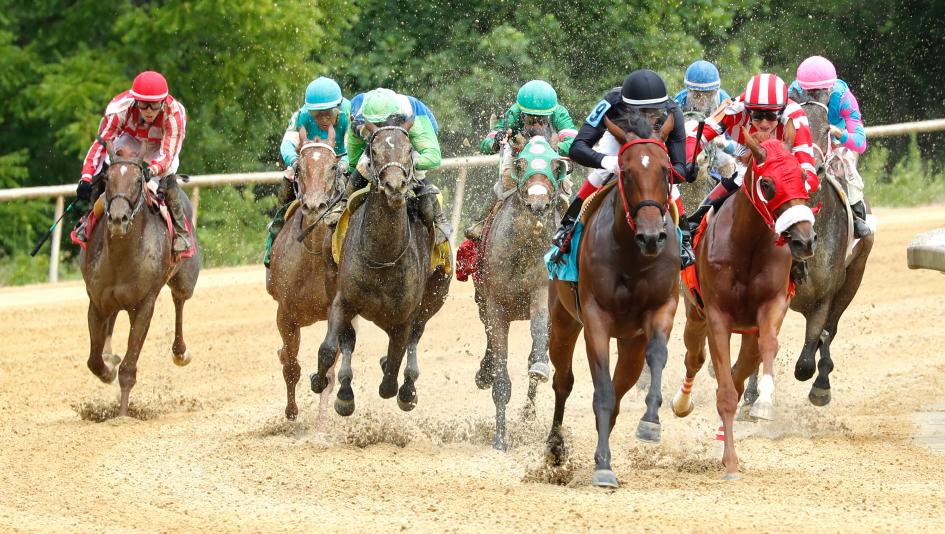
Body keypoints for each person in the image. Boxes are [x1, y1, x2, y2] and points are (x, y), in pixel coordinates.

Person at [551, 69, 697, 268]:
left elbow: (678, 168)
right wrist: (607, 161)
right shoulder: (611, 102)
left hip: (652, 147)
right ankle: (567, 226)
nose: (646, 121)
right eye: (639, 114)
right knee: (601, 173)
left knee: (669, 185)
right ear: (626, 107)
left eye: (653, 115)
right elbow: (578, 147)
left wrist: (683, 172)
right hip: (619, 139)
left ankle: (685, 240)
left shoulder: (673, 111)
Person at [75, 70, 191, 253]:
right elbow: (101, 144)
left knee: (168, 171)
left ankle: (181, 232)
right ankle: (89, 219)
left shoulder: (175, 114)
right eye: (144, 106)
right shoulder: (118, 110)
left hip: (161, 146)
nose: (149, 111)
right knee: (107, 163)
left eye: (154, 106)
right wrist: (86, 178)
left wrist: (151, 171)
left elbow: (168, 156)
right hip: (131, 138)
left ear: (164, 101)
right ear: (135, 100)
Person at [687, 73, 820, 230]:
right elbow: (694, 137)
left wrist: (787, 186)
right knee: (737, 179)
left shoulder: (795, 117)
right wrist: (689, 161)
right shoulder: (735, 108)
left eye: (771, 116)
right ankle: (695, 223)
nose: (764, 124)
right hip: (749, 150)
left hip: (785, 163)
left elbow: (811, 177)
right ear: (748, 110)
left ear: (782, 111)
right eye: (757, 116)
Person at [466, 80, 577, 239]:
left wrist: (556, 149)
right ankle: (480, 222)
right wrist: (497, 140)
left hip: (551, 159)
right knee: (504, 183)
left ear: (550, 114)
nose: (537, 125)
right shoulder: (513, 113)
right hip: (521, 157)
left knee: (565, 187)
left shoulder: (559, 113)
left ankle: (574, 227)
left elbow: (575, 141)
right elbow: (486, 143)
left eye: (543, 121)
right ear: (522, 113)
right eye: (531, 120)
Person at [346, 88, 451, 244]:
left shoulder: (413, 116)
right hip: (377, 141)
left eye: (384, 122)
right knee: (360, 169)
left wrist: (404, 164)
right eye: (377, 124)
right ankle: (340, 214)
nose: (381, 127)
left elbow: (433, 158)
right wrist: (352, 171)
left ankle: (439, 220)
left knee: (412, 169)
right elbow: (354, 157)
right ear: (366, 120)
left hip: (413, 140)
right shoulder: (357, 116)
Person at [789, 55, 870, 238]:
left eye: (821, 92)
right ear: (801, 88)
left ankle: (856, 213)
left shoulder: (843, 98)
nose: (816, 96)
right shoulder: (792, 93)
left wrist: (837, 133)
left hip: (834, 140)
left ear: (831, 88)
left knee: (844, 164)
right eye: (810, 92)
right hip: (805, 139)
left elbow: (860, 142)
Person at [278, 76, 350, 206]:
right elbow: (286, 144)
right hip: (310, 164)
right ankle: (279, 221)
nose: (323, 119)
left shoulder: (350, 113)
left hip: (343, 161)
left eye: (328, 113)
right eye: (317, 114)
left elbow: (354, 147)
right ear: (309, 110)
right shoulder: (301, 115)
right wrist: (294, 161)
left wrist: (344, 163)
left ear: (338, 107)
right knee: (289, 175)